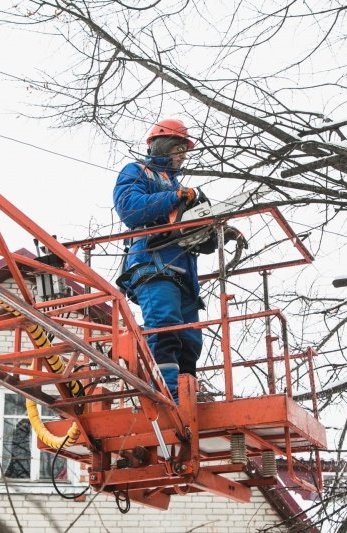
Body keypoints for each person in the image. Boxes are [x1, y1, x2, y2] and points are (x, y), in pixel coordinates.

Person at [114, 118, 203, 403]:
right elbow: (129, 208)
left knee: (190, 341)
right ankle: (170, 394)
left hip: (183, 272)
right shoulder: (137, 171)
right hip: (153, 265)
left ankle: (188, 394)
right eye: (179, 148)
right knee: (165, 327)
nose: (182, 156)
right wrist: (173, 198)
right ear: (162, 145)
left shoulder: (177, 186)